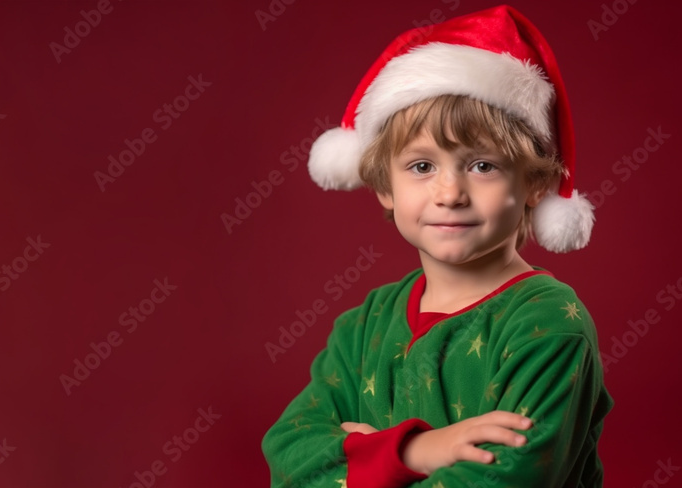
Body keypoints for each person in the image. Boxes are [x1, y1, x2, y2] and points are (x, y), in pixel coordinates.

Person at [261, 5, 613, 487]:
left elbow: (503, 481)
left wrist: (363, 458)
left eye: (483, 166)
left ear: (534, 185)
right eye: (421, 167)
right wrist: (415, 451)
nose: (449, 194)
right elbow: (288, 452)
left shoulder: (547, 326)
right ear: (384, 185)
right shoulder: (365, 325)